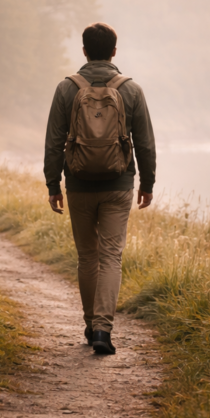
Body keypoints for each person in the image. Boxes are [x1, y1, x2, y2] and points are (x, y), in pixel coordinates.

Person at [43, 22, 156, 355]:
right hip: (118, 185)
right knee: (110, 257)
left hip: (78, 183)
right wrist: (147, 182)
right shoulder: (131, 90)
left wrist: (53, 183)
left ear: (84, 51)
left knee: (87, 257)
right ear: (114, 52)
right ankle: (103, 332)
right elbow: (145, 143)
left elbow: (53, 141)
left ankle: (91, 323)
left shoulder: (67, 88)